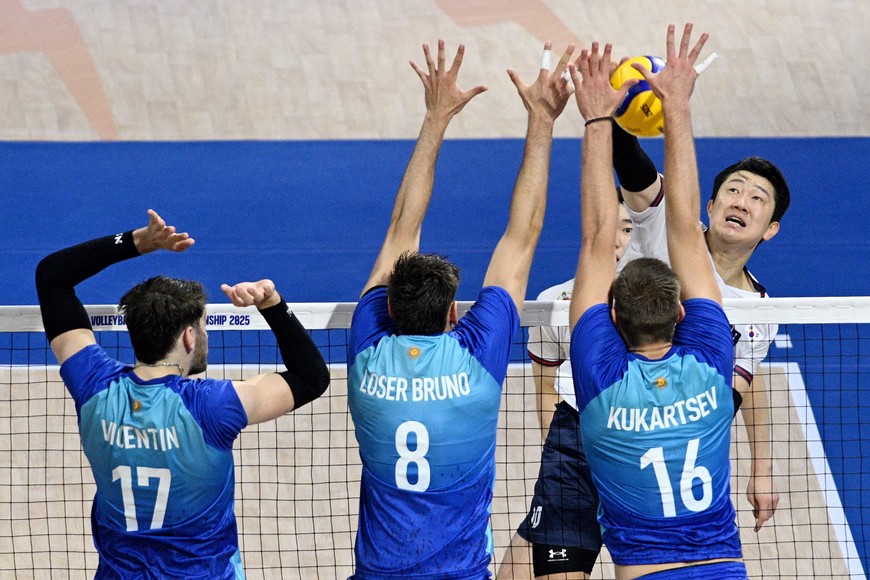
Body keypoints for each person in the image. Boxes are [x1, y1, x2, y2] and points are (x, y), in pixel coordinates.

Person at [346, 39, 574, 577]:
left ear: (389, 309)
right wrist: (542, 119)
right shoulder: (475, 359)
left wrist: (434, 119)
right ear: (455, 316)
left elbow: (402, 227)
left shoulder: (367, 352)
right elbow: (524, 235)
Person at [34, 209, 330, 579]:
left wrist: (138, 242)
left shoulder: (93, 386)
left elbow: (52, 277)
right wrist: (271, 304)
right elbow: (310, 378)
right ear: (189, 337)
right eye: (202, 327)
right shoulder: (212, 406)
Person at [568, 24, 748, 579]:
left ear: (613, 318)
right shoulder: (711, 361)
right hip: (724, 569)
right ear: (683, 315)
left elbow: (601, 235)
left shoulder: (599, 376)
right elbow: (688, 234)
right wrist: (678, 108)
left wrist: (597, 120)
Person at [611, 50, 789, 538]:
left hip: (671, 456)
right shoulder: (668, 222)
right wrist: (625, 109)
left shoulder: (761, 311)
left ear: (769, 229)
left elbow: (733, 393)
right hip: (602, 418)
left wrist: (762, 467)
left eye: (757, 199)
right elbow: (628, 162)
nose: (741, 201)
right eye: (733, 190)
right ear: (708, 205)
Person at [498, 199, 632, 579]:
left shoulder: (661, 304)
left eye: (628, 229)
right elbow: (545, 389)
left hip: (633, 457)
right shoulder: (555, 304)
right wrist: (556, 460)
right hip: (574, 455)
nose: (618, 240)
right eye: (610, 227)